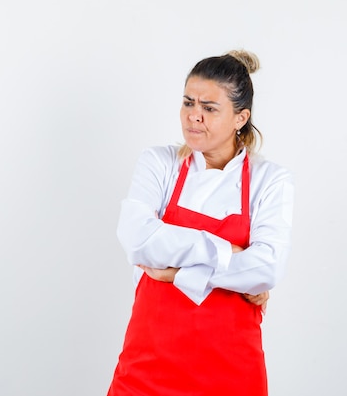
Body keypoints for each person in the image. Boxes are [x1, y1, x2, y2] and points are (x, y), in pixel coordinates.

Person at [106, 50, 294, 396]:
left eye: (209, 108)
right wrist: (228, 254)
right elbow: (136, 239)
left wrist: (176, 273)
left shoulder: (270, 180)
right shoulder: (160, 163)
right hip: (148, 369)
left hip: (231, 375)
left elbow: (266, 268)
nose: (194, 117)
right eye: (188, 103)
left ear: (241, 118)